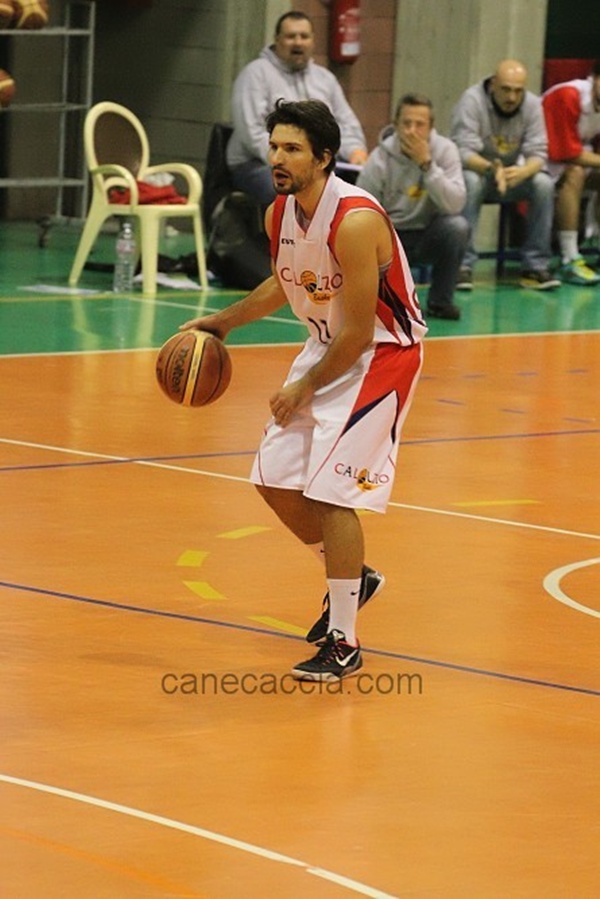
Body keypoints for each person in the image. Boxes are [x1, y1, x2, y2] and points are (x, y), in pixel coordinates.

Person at [181, 99, 426, 682]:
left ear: (323, 158)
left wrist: (301, 387)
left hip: (381, 355)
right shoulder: (279, 214)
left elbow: (359, 331)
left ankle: (344, 641)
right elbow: (285, 282)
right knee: (273, 478)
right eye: (274, 147)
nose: (278, 158)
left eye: (292, 149)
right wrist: (223, 322)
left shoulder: (356, 221)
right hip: (328, 347)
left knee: (331, 493)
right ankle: (355, 576)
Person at [226, 10, 368, 206]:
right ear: (277, 40)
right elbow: (252, 134)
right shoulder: (255, 74)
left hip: (315, 164)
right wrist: (291, 161)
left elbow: (344, 122)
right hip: (257, 164)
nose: (298, 43)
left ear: (313, 41)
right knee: (291, 190)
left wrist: (355, 151)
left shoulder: (325, 79)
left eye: (304, 36)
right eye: (291, 36)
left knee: (360, 187)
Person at [450, 59, 560, 291]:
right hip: (480, 172)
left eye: (518, 91)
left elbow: (538, 152)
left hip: (512, 176)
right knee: (470, 182)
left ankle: (535, 266)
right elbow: (462, 151)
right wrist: (492, 169)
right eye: (506, 89)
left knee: (543, 183)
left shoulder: (532, 105)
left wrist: (524, 171)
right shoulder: (472, 101)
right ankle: (462, 266)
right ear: (493, 85)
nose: (512, 97)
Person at [357, 92, 468, 321]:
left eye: (419, 124)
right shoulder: (379, 159)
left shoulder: (445, 150)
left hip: (428, 233)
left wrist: (427, 165)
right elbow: (361, 211)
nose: (411, 131)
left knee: (457, 227)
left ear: (431, 127)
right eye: (406, 123)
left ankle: (440, 302)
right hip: (390, 237)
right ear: (396, 124)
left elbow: (455, 203)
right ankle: (377, 300)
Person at [542, 61, 600, 285]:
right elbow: (566, 153)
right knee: (575, 172)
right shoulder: (568, 96)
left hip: (578, 158)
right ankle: (569, 258)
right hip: (540, 163)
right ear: (594, 78)